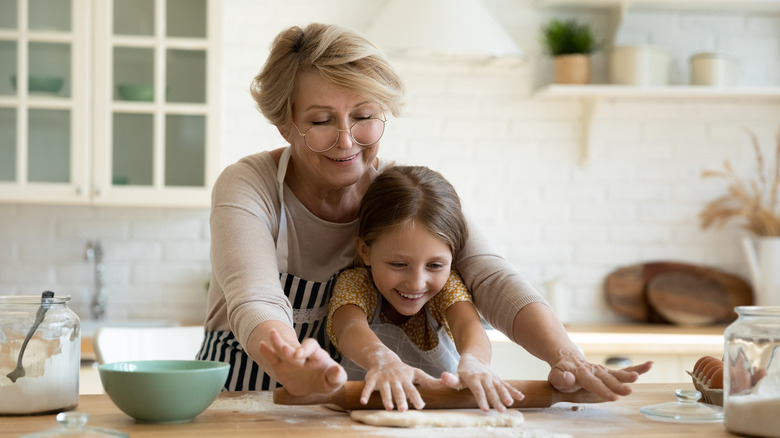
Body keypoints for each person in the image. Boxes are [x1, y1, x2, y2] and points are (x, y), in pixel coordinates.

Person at [198, 22, 652, 400]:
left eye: (364, 116)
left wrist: (566, 356)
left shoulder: (399, 193)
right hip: (238, 397)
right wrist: (293, 363)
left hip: (329, 403)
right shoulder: (249, 184)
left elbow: (488, 276)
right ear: (284, 123)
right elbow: (254, 297)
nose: (346, 140)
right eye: (320, 121)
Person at [327, 165, 524, 412]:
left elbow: (468, 326)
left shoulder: (446, 288)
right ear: (365, 250)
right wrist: (383, 361)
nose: (417, 283)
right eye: (399, 264)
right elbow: (349, 328)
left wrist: (475, 361)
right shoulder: (356, 285)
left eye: (435, 265)